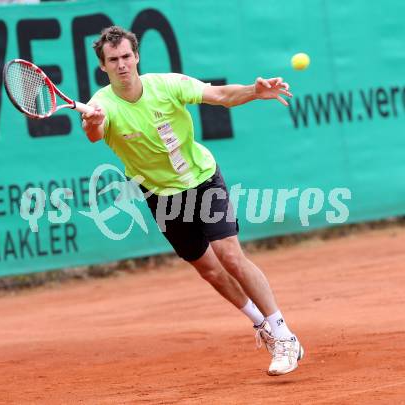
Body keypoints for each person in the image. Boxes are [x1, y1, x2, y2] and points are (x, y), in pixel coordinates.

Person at [81, 26, 304, 376]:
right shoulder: (101, 105)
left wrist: (254, 91)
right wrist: (92, 123)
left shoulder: (167, 85)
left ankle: (284, 333)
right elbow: (95, 133)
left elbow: (220, 96)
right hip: (160, 195)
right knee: (209, 270)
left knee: (229, 254)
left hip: (201, 179)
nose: (122, 64)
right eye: (113, 60)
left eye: (126, 56)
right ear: (103, 66)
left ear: (136, 56)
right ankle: (261, 324)